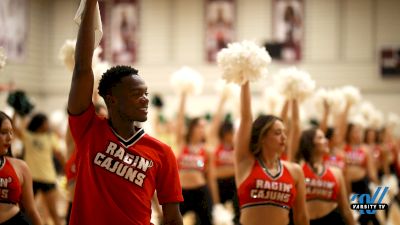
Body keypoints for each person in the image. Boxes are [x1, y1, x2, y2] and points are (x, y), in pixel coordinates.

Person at [67, 0, 183, 224]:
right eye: (136, 94)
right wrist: (91, 5)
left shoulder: (162, 153)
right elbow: (82, 68)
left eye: (146, 93)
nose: (145, 99)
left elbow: (172, 217)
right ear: (112, 99)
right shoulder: (88, 129)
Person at [235, 81, 308, 225]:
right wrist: (245, 79)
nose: (284, 137)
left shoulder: (295, 171)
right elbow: (246, 118)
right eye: (277, 133)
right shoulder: (246, 163)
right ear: (263, 137)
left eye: (284, 133)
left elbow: (301, 217)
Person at [174, 91, 219, 225]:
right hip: (181, 192)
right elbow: (180, 122)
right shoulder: (182, 144)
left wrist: (217, 204)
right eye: (199, 126)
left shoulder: (207, 151)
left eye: (204, 127)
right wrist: (183, 95)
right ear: (192, 127)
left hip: (201, 191)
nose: (202, 129)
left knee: (207, 222)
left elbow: (211, 178)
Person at [12, 112, 64, 225]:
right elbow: (14, 127)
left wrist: (67, 169)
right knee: (25, 212)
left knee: (53, 212)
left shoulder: (50, 137)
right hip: (31, 178)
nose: (48, 125)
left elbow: (59, 154)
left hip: (48, 178)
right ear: (40, 124)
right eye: (46, 122)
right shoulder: (28, 136)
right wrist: (16, 111)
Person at [297, 128, 355, 225]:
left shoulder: (336, 172)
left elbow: (345, 209)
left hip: (332, 220)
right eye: (320, 138)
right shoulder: (298, 169)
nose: (326, 140)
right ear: (310, 143)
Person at [0, 111, 42, 225]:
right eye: (4, 132)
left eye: (11, 132)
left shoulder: (20, 167)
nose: (10, 138)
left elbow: (32, 211)